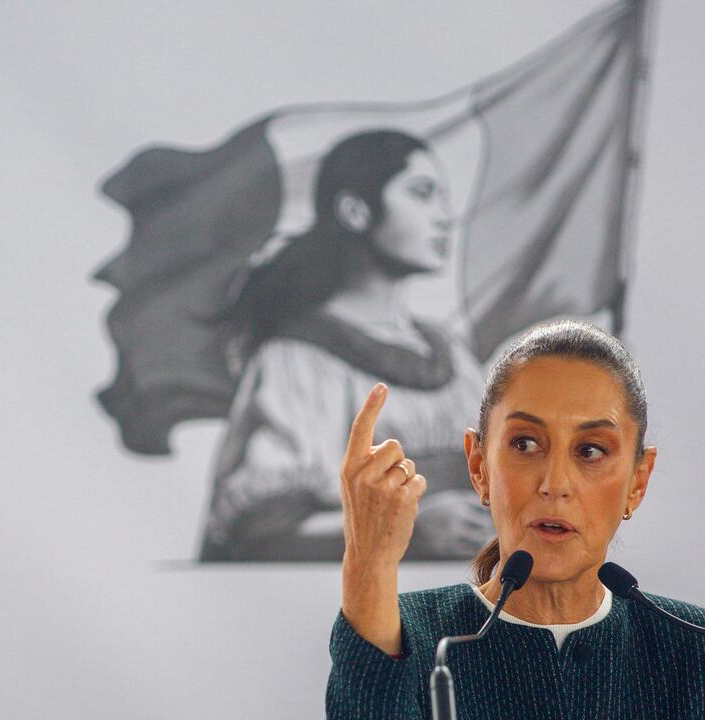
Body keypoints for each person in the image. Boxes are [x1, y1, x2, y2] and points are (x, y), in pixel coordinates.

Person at [327, 320, 705, 718]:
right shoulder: (413, 640)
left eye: (590, 451)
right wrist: (369, 562)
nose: (555, 484)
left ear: (638, 480)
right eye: (525, 444)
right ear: (479, 466)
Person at [200, 130, 493, 561]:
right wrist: (407, 530)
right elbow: (263, 531)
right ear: (355, 211)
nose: (445, 217)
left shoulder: (451, 353)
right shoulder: (298, 361)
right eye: (422, 194)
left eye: (443, 198)